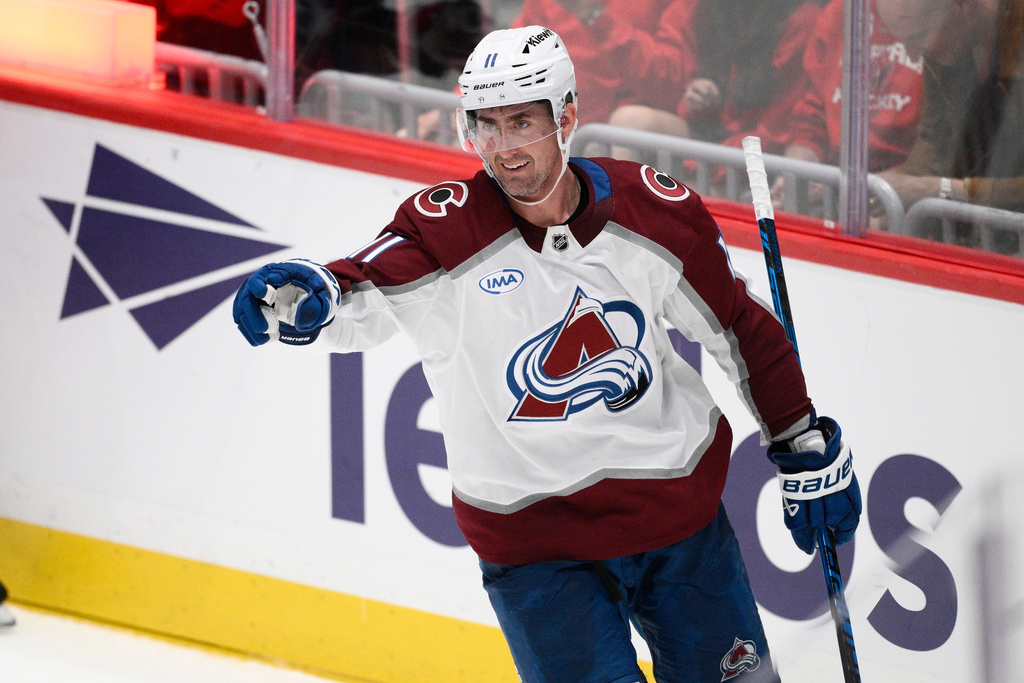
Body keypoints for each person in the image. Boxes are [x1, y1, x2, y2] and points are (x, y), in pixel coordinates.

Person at [233, 26, 861, 682]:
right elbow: (362, 289)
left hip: (679, 525)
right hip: (537, 553)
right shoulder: (445, 230)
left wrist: (800, 439)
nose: (503, 148)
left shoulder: (653, 211)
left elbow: (737, 325)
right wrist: (313, 293)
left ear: (566, 117)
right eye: (486, 126)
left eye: (521, 123)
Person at [871, 0, 1024, 239]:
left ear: (967, 5)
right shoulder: (952, 38)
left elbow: (933, 181)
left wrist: (945, 189)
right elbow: (935, 143)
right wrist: (880, 191)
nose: (912, 55)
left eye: (920, 36)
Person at [606, 0, 821, 167]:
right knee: (629, 119)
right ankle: (617, 210)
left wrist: (699, 168)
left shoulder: (802, 20)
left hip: (759, 156)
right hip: (713, 138)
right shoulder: (702, 6)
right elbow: (672, 75)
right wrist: (694, 101)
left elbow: (778, 132)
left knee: (682, 193)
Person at [770, 0, 925, 211]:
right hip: (838, 185)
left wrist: (877, 192)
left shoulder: (932, 13)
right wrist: (796, 174)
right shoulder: (840, 12)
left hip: (907, 195)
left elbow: (936, 153)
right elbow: (810, 123)